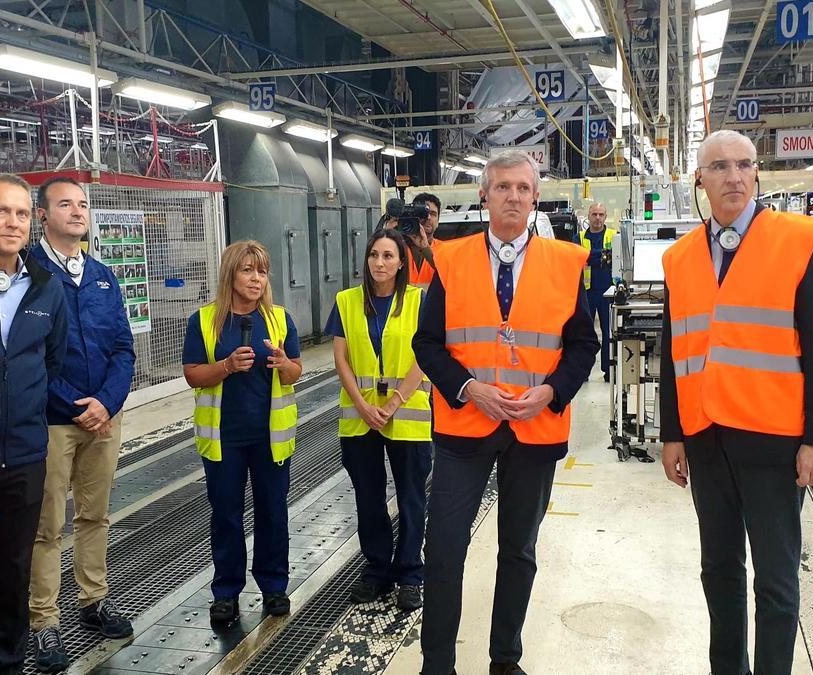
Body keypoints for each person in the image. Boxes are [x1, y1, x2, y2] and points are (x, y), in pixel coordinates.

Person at [659, 129, 813, 675]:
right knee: (719, 570)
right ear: (700, 181)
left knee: (777, 579)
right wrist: (672, 433)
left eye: (743, 165)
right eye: (719, 167)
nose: (733, 176)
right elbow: (673, 352)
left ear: (758, 173)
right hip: (706, 438)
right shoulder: (680, 257)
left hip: (776, 443)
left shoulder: (796, 241)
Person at [413, 149, 599, 675]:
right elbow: (428, 345)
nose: (513, 196)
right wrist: (469, 388)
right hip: (462, 430)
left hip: (534, 428)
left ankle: (504, 658)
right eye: (502, 187)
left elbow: (583, 344)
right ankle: (437, 665)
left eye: (522, 188)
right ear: (484, 195)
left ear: (534, 196)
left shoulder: (565, 263)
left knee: (518, 550)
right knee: (445, 549)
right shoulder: (449, 259)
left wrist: (552, 392)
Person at [0, 174, 67, 675]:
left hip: (24, 451)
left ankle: (6, 663)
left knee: (13, 568)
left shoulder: (47, 287)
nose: (13, 222)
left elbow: (51, 358)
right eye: (2, 211)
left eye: (22, 214)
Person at [28, 177, 136, 672]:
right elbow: (28, 358)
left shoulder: (102, 276)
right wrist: (76, 405)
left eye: (83, 204)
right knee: (46, 526)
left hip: (103, 420)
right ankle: (44, 622)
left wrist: (108, 404)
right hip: (53, 421)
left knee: (95, 515)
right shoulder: (29, 276)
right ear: (42, 216)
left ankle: (93, 599)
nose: (77, 212)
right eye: (65, 204)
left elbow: (122, 348)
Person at [182, 241, 302, 624]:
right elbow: (193, 374)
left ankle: (274, 586)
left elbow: (296, 371)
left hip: (270, 438)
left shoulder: (280, 319)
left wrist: (284, 363)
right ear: (231, 274)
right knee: (226, 516)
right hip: (223, 438)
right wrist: (227, 366)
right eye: (248, 270)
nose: (256, 278)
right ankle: (226, 592)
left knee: (273, 512)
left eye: (262, 271)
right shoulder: (205, 320)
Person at [326, 229, 432, 611]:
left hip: (407, 415)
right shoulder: (347, 301)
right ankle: (376, 571)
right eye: (374, 255)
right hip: (360, 417)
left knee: (411, 499)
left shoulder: (420, 301)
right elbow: (341, 359)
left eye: (388, 256)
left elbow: (425, 356)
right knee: (368, 500)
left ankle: (410, 574)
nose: (380, 263)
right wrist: (365, 405)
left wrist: (394, 402)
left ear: (402, 261)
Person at [579, 202, 615, 382]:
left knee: (609, 331)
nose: (598, 218)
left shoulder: (613, 235)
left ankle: (608, 370)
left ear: (606, 217)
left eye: (601, 214)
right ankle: (582, 370)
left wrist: (590, 256)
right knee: (584, 334)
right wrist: (602, 256)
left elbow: (615, 256)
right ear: (588, 216)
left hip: (608, 292)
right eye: (594, 214)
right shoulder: (579, 237)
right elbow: (576, 258)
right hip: (586, 293)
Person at [413, 192, 443, 259]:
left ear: (438, 221)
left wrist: (426, 249)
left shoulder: (445, 250)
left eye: (433, 214)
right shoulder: (400, 248)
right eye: (423, 213)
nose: (428, 217)